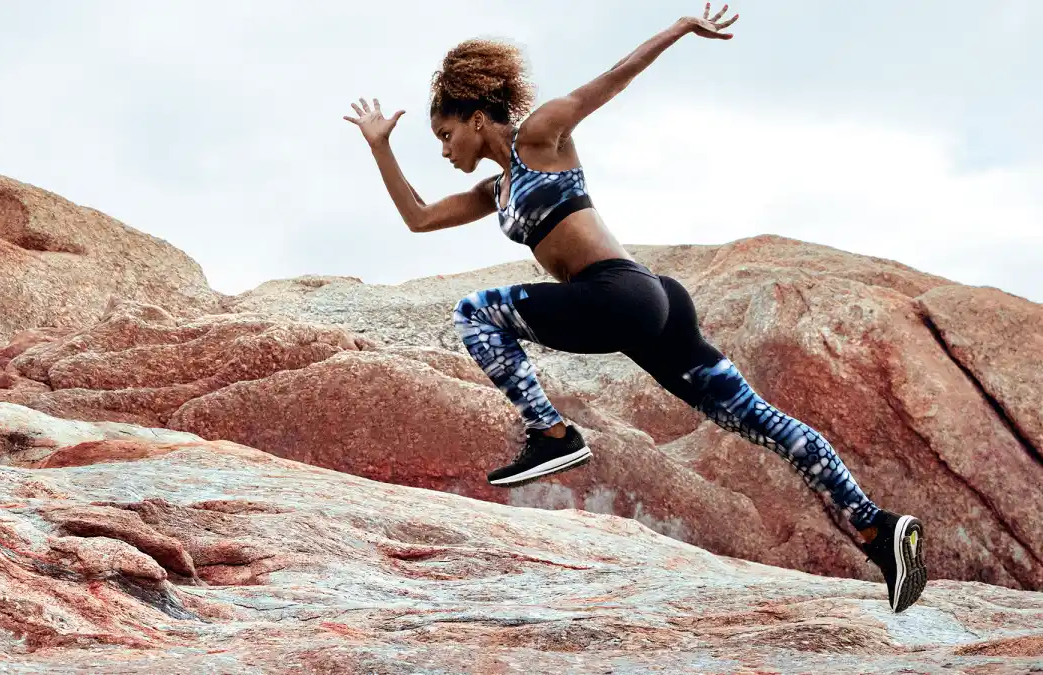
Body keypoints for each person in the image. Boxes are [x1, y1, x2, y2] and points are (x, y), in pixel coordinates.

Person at [343, 4, 926, 613]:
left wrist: (677, 30)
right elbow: (419, 218)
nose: (444, 150)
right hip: (653, 303)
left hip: (617, 293)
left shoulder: (538, 136)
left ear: (479, 117)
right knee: (754, 420)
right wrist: (380, 146)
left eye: (445, 134)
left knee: (474, 311)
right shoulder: (496, 190)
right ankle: (877, 530)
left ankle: (552, 434)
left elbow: (610, 81)